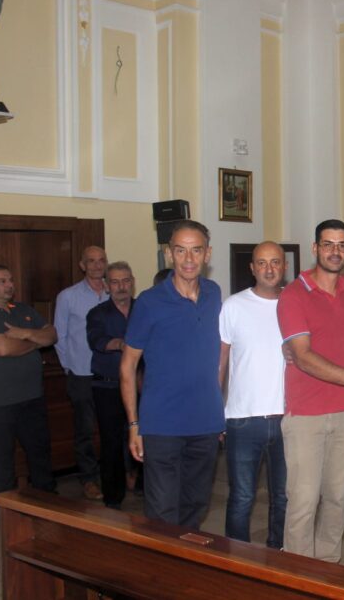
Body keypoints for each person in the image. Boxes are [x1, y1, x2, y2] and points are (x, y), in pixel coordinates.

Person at [276, 219, 344, 562]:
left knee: (338, 498)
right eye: (328, 244)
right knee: (304, 501)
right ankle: (297, 580)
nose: (335, 251)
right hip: (306, 415)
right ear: (315, 249)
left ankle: (327, 574)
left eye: (341, 245)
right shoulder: (294, 295)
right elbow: (303, 356)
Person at [120, 220, 225, 528]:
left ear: (208, 254)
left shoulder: (214, 294)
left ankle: (187, 570)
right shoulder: (150, 302)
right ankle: (160, 573)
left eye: (196, 250)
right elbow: (127, 366)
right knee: (163, 514)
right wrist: (133, 424)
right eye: (181, 250)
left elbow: (218, 356)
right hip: (161, 425)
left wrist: (218, 414)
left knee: (195, 506)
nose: (189, 259)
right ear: (169, 254)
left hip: (205, 424)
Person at [219, 242, 288, 548]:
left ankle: (278, 560)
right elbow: (220, 364)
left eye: (275, 262)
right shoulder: (233, 306)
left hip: (288, 418)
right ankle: (237, 563)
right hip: (242, 420)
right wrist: (216, 413)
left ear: (284, 266)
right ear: (252, 268)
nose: (269, 269)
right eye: (262, 263)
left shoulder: (295, 304)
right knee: (242, 497)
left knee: (284, 497)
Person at [0, 264, 56, 494]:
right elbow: (3, 348)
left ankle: (47, 505)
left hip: (32, 396)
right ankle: (7, 516)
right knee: (2, 460)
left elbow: (52, 334)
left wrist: (26, 333)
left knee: (40, 454)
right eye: (2, 281)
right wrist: (36, 341)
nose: (10, 285)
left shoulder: (22, 310)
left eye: (10, 280)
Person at [55, 245, 107, 500]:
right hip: (81, 373)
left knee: (114, 428)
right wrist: (69, 366)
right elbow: (59, 335)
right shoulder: (68, 296)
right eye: (91, 261)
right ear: (82, 265)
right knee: (85, 431)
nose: (97, 265)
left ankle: (118, 475)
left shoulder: (115, 292)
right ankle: (89, 479)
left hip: (111, 374)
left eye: (101, 260)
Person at [85, 261, 136, 509]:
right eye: (115, 282)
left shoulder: (142, 309)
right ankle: (113, 497)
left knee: (146, 435)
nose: (121, 286)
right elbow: (97, 340)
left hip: (140, 386)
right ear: (106, 285)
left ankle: (142, 485)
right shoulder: (98, 313)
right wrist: (122, 344)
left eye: (125, 280)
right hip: (108, 387)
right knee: (112, 442)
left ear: (132, 282)